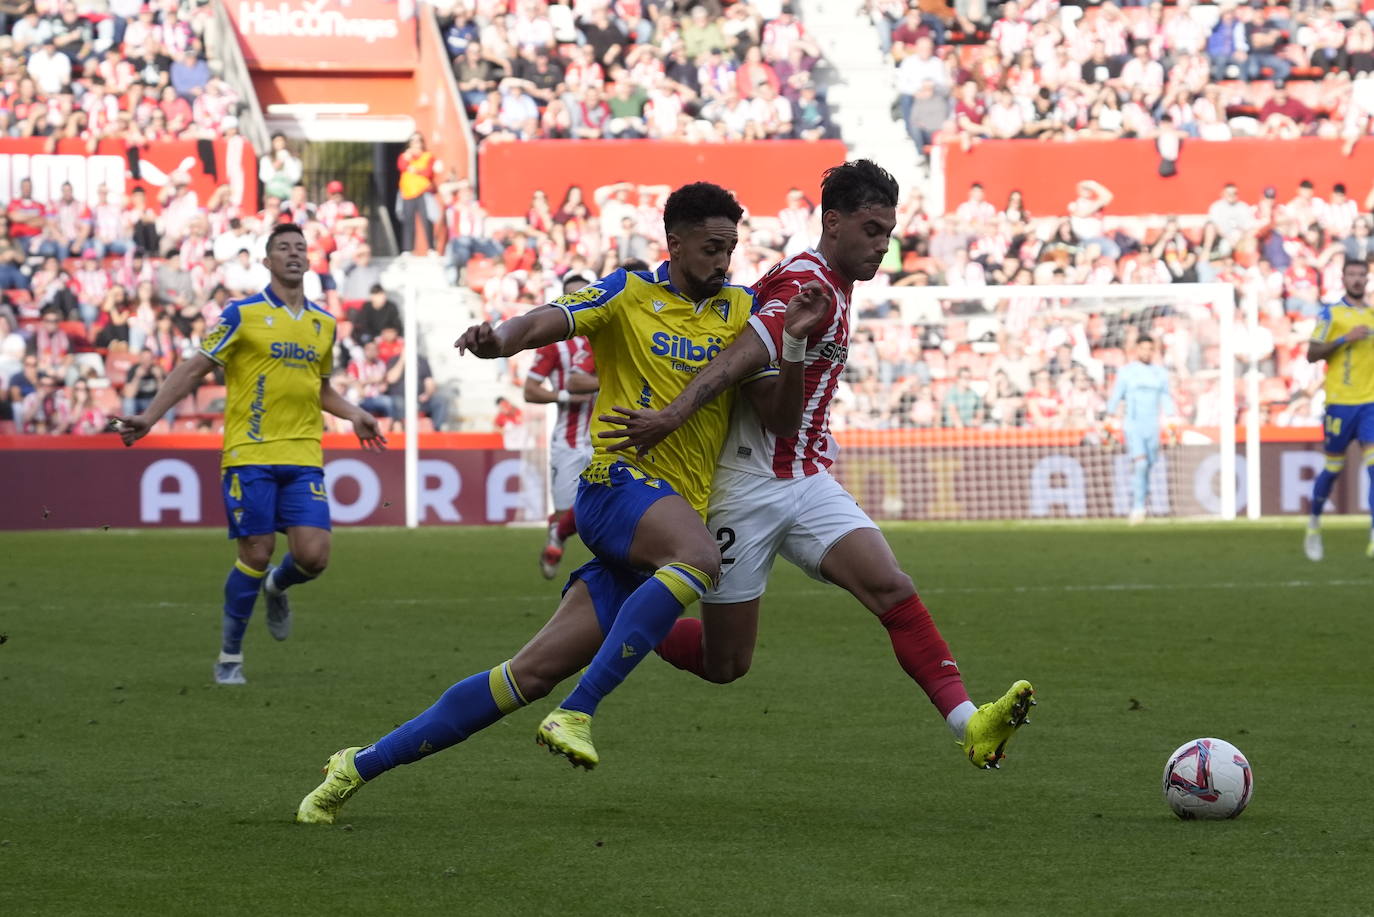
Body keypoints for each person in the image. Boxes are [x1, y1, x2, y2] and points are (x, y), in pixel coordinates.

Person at [295, 183, 829, 823]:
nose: (724, 262)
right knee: (698, 558)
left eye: (731, 249)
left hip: (659, 525)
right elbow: (552, 317)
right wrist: (503, 340)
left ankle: (355, 766)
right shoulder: (630, 295)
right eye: (712, 248)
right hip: (616, 485)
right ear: (676, 242)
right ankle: (580, 710)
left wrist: (794, 343)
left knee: (525, 677)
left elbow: (784, 417)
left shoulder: (742, 312)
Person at [598, 161, 1035, 771]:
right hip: (744, 489)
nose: (883, 246)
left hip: (804, 478)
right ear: (834, 223)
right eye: (872, 230)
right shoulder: (803, 283)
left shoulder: (838, 283)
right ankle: (619, 617)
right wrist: (674, 414)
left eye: (889, 232)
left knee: (891, 586)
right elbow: (742, 355)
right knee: (726, 665)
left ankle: (971, 724)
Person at [113, 223, 386, 685]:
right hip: (249, 452)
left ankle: (279, 587)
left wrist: (354, 411)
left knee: (314, 557)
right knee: (257, 553)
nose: (294, 254)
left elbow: (320, 388)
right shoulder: (241, 314)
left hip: (303, 453)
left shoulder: (324, 324)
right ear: (267, 261)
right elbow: (195, 366)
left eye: (301, 247)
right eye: (284, 248)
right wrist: (151, 416)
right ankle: (230, 656)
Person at [524, 271, 600, 579]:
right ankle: (557, 536)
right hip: (568, 440)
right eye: (571, 296)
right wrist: (567, 394)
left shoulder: (608, 333)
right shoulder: (555, 344)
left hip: (606, 437)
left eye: (583, 295)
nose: (577, 301)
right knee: (567, 511)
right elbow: (530, 390)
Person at [1304, 259, 1374, 561]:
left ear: (1367, 279)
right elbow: (1311, 353)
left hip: (1370, 404)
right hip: (1339, 405)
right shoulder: (1330, 313)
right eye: (1352, 275)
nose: (1357, 280)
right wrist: (1346, 338)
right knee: (1333, 469)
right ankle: (1314, 523)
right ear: (1343, 278)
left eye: (1362, 275)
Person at [1106, 334, 1176, 525]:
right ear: (1136, 350)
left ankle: (1142, 501)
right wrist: (1108, 417)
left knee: (1149, 465)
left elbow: (1166, 397)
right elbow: (1117, 395)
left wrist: (1172, 419)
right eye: (1142, 348)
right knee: (1141, 464)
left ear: (1153, 351)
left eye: (1149, 349)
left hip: (1152, 426)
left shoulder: (1160, 373)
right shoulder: (1127, 372)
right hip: (1133, 424)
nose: (1146, 352)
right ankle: (1137, 508)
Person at [397, 132, 439, 255]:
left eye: (418, 141)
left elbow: (428, 172)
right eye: (413, 141)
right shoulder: (405, 156)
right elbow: (401, 166)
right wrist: (408, 157)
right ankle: (407, 249)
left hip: (423, 192)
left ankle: (431, 248)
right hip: (408, 192)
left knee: (427, 220)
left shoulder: (428, 156)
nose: (416, 144)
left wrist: (415, 170)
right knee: (408, 221)